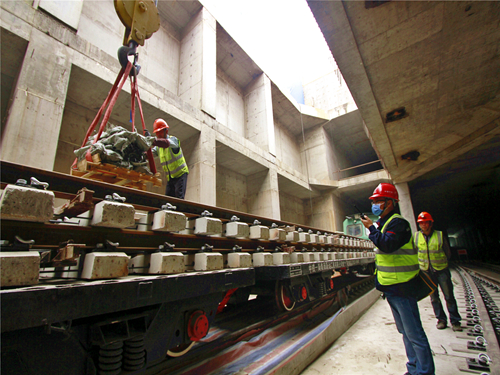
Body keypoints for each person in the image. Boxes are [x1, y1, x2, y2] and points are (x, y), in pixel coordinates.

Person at [361, 183, 435, 375]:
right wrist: (374, 229)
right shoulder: (384, 224)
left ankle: (424, 372)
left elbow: (387, 245)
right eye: (374, 201)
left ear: (390, 202)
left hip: (403, 288)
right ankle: (413, 368)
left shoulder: (398, 223)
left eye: (378, 201)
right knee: (405, 333)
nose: (375, 205)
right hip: (391, 288)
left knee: (415, 334)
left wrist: (371, 229)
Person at [415, 212, 462, 331]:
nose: (423, 225)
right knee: (434, 298)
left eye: (425, 222)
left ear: (430, 223)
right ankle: (441, 320)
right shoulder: (416, 237)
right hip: (426, 272)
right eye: (421, 223)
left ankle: (455, 321)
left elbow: (447, 253)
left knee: (449, 296)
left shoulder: (439, 235)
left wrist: (442, 264)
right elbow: (415, 253)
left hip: (441, 270)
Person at [150, 118, 189, 199]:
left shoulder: (173, 140)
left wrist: (152, 140)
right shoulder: (158, 147)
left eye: (160, 132)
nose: (158, 134)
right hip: (171, 177)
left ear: (166, 131)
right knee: (168, 200)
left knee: (179, 198)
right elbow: (150, 154)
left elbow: (167, 143)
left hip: (180, 174)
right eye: (157, 133)